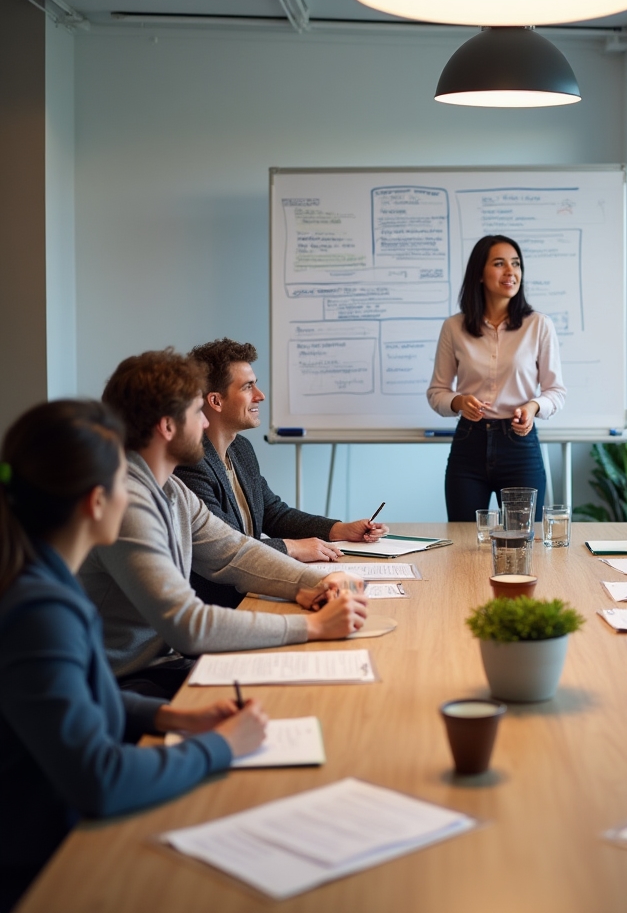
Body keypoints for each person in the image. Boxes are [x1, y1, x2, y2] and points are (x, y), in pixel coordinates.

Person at [0, 400, 269, 913]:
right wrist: (221, 747)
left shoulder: (46, 584)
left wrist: (175, 716)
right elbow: (98, 780)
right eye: (127, 484)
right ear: (97, 503)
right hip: (42, 866)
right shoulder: (40, 612)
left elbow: (78, 697)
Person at [79, 350, 367, 699]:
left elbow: (233, 551)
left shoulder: (170, 489)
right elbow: (188, 625)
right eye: (195, 413)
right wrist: (313, 626)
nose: (203, 424)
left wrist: (319, 581)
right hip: (122, 685)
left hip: (163, 665)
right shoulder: (126, 503)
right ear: (168, 427)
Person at [175, 338, 387, 609]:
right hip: (222, 603)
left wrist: (338, 530)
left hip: (252, 591)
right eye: (248, 387)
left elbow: (274, 512)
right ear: (215, 401)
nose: (260, 395)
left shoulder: (240, 449)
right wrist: (291, 547)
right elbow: (227, 549)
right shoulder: (189, 463)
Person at [427, 234, 566, 521]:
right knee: (463, 543)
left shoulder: (538, 325)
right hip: (469, 443)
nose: (510, 272)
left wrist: (533, 407)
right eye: (500, 263)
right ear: (479, 273)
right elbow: (437, 392)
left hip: (519, 445)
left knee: (522, 543)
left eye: (515, 264)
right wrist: (458, 402)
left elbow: (556, 391)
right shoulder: (454, 327)